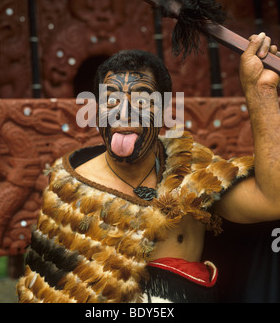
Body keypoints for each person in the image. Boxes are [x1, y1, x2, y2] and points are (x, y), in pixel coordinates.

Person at [17, 33, 280, 303]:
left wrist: (262, 90)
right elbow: (45, 293)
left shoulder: (193, 171)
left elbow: (273, 200)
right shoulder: (71, 191)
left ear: (165, 111)